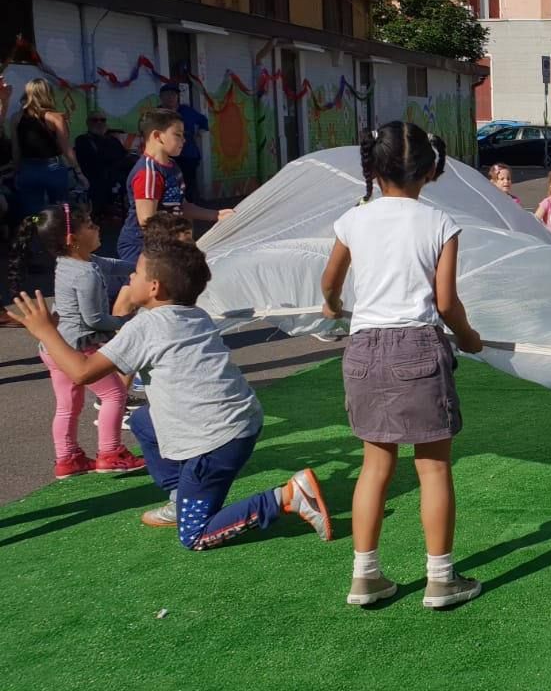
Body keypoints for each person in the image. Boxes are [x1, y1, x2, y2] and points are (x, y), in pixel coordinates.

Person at [8, 239, 333, 547]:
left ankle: (287, 497)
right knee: (144, 422)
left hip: (216, 442)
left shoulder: (147, 326)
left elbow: (80, 372)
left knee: (195, 534)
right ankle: (182, 498)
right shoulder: (193, 314)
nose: (130, 277)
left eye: (135, 273)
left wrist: (47, 332)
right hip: (241, 424)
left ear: (154, 287)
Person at [320, 122, 484, 610]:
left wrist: (331, 305)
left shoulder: (355, 219)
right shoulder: (439, 222)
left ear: (374, 167)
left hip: (365, 349)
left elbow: (330, 281)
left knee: (376, 466)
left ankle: (365, 576)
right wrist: (469, 338)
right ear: (430, 170)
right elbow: (446, 302)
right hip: (418, 347)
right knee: (433, 467)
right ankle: (440, 578)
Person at [8, 199, 140, 478]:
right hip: (79, 347)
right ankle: (110, 452)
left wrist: (138, 268)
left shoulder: (70, 261)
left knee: (68, 405)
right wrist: (125, 323)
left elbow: (112, 264)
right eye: (91, 225)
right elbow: (93, 319)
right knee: (114, 394)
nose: (98, 227)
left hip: (54, 346)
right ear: (73, 238)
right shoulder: (86, 274)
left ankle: (67, 459)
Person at [116, 109, 231, 265]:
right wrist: (181, 241)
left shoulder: (172, 166)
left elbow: (180, 206)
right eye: (178, 135)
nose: (184, 140)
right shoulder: (148, 173)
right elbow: (147, 222)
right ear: (157, 136)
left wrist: (216, 215)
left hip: (166, 243)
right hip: (142, 248)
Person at [10, 79, 86, 217]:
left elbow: (16, 150)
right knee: (60, 211)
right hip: (53, 167)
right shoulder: (55, 118)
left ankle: (34, 237)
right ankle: (57, 236)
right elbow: (66, 148)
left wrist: (16, 171)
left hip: (28, 167)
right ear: (47, 94)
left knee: (32, 214)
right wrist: (78, 172)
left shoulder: (16, 118)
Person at [75, 110, 134, 224]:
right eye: (95, 120)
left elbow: (123, 156)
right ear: (88, 122)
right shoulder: (83, 140)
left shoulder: (113, 140)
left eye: (102, 120)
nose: (99, 123)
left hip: (117, 176)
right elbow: (92, 161)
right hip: (95, 178)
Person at [159, 83, 209, 197]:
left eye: (173, 95)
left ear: (177, 97)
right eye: (167, 95)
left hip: (188, 155)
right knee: (170, 185)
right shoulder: (157, 114)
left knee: (188, 185)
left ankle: (192, 210)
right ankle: (173, 211)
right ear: (161, 97)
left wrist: (200, 132)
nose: (170, 98)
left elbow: (203, 121)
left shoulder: (187, 111)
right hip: (166, 156)